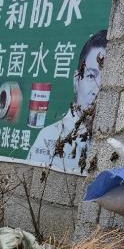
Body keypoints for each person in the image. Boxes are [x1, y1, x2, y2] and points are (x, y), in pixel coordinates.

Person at [26, 30, 107, 174]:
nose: (97, 89)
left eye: (107, 80)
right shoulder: (49, 137)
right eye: (90, 76)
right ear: (76, 81)